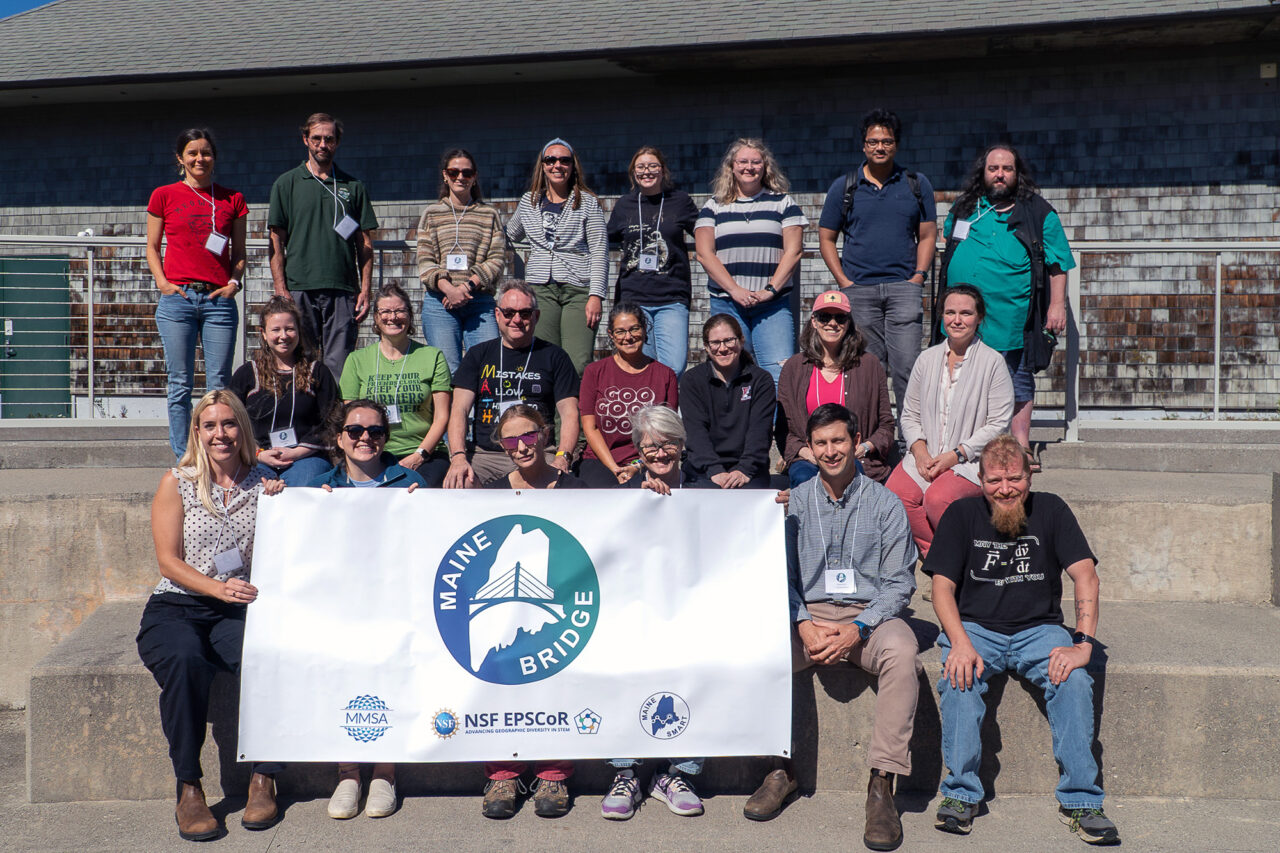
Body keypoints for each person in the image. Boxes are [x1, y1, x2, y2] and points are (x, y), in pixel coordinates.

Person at [924, 434, 1118, 845]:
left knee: (1074, 680)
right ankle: (960, 794)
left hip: (1039, 630)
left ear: (1030, 474)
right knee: (959, 678)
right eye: (995, 480)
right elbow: (941, 589)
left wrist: (1082, 643)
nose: (1005, 488)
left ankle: (1082, 800)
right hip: (976, 628)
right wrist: (958, 642)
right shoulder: (961, 515)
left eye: (1014, 478)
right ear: (980, 479)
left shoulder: (1052, 510)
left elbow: (1085, 575)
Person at [745, 403, 918, 853]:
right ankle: (780, 768)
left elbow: (900, 582)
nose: (830, 451)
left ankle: (882, 785)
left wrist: (859, 627)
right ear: (809, 447)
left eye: (838, 440)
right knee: (758, 649)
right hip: (809, 615)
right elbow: (774, 574)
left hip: (868, 617)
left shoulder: (885, 503)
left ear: (855, 441)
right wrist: (801, 622)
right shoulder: (791, 504)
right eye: (820, 443)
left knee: (902, 651)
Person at [135, 390, 285, 841]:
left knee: (266, 656)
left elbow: (284, 547)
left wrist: (282, 502)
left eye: (229, 423)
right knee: (184, 661)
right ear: (197, 431)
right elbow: (169, 561)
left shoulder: (265, 483)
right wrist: (218, 588)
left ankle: (265, 776)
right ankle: (189, 787)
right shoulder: (176, 481)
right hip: (179, 603)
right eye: (210, 425)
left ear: (243, 428)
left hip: (237, 607)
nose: (220, 434)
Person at [312, 399, 422, 820]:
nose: (365, 438)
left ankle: (385, 772)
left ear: (386, 436)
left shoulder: (410, 483)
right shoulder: (321, 487)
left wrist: (420, 508)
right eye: (355, 431)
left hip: (396, 604)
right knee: (341, 674)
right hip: (341, 607)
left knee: (392, 672)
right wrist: (292, 502)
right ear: (339, 438)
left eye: (375, 431)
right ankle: (348, 772)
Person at [598, 404, 707, 820]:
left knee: (701, 663)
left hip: (690, 616)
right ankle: (625, 773)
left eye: (667, 444)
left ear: (682, 444)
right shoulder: (623, 497)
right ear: (638, 453)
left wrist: (770, 508)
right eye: (649, 447)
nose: (659, 454)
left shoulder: (706, 493)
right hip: (633, 615)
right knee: (618, 661)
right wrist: (640, 504)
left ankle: (677, 773)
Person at [936, 143, 1074, 469]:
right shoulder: (964, 207)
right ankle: (964, 444)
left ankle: (1021, 446)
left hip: (1013, 315)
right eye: (993, 168)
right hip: (963, 316)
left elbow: (1058, 264)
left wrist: (1056, 306)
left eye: (1007, 169)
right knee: (961, 378)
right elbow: (948, 245)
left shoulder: (1039, 213)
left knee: (1017, 379)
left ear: (1017, 174)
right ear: (983, 173)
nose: (1000, 174)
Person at [478, 403, 583, 819]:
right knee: (498, 676)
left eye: (528, 435)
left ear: (544, 433)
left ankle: (554, 773)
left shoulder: (578, 487)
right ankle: (503, 772)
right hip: (506, 611)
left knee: (560, 679)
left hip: (564, 607)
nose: (521, 446)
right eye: (510, 439)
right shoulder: (489, 495)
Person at [818, 109, 937, 426]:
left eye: (886, 141)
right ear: (863, 146)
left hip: (904, 289)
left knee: (908, 367)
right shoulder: (845, 187)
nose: (880, 147)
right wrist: (844, 281)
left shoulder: (915, 184)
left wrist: (917, 277)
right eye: (873, 141)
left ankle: (912, 439)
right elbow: (826, 238)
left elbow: (927, 235)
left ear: (896, 144)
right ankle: (870, 438)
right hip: (859, 290)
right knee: (866, 368)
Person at [886, 285, 1014, 559]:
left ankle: (952, 567)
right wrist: (919, 452)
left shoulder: (993, 363)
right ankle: (939, 562)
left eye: (966, 313)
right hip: (926, 455)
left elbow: (998, 424)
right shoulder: (926, 359)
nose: (957, 320)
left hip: (969, 460)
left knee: (937, 499)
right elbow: (909, 414)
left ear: (979, 317)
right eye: (950, 312)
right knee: (895, 495)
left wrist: (956, 455)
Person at [147, 128, 246, 460]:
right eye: (192, 153)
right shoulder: (164, 195)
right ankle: (184, 457)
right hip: (179, 299)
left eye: (205, 152)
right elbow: (152, 246)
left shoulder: (232, 199)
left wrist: (234, 282)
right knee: (180, 384)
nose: (199, 159)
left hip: (218, 301)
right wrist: (162, 282)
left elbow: (240, 253)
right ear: (180, 158)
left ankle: (218, 453)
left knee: (219, 385)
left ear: (214, 157)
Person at [268, 112, 379, 383]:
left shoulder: (353, 187)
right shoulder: (287, 183)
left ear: (337, 142)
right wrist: (281, 287)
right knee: (300, 361)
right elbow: (276, 242)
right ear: (305, 139)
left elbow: (364, 243)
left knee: (338, 366)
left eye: (328, 139)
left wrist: (365, 289)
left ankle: (333, 423)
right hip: (299, 287)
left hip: (342, 289)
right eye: (316, 138)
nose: (322, 144)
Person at [445, 280, 580, 488]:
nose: (516, 320)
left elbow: (569, 413)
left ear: (536, 316)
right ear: (497, 315)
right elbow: (459, 409)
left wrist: (563, 457)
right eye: (508, 313)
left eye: (524, 313)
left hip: (538, 452)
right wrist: (458, 457)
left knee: (558, 486)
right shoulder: (478, 354)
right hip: (487, 455)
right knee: (460, 482)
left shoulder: (555, 356)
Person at [695, 138, 807, 383]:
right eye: (743, 161)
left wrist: (770, 290)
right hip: (728, 303)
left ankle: (777, 423)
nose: (749, 167)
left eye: (756, 162)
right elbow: (704, 254)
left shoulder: (783, 203)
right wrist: (735, 290)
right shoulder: (713, 206)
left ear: (765, 166)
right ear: (732, 167)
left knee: (779, 372)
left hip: (772, 305)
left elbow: (794, 252)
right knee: (731, 371)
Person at [505, 138, 608, 374]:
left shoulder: (588, 203)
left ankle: (570, 413)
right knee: (544, 360)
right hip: (540, 289)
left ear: (573, 166)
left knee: (577, 362)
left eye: (564, 160)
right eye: (550, 160)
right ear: (542, 165)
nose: (557, 165)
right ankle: (545, 412)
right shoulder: (529, 201)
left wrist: (596, 295)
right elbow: (510, 235)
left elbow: (600, 251)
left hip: (578, 290)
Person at [777, 290, 896, 488]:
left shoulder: (869, 365)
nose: (832, 323)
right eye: (825, 317)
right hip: (810, 460)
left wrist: (864, 447)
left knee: (854, 484)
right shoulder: (794, 367)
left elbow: (886, 424)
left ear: (848, 323)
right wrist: (805, 452)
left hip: (856, 459)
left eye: (840, 318)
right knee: (805, 482)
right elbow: (783, 429)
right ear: (814, 321)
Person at [339, 283, 452, 487]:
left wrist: (419, 455)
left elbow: (442, 416)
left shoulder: (432, 356)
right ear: (375, 317)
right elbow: (350, 418)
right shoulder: (357, 360)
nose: (393, 317)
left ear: (409, 315)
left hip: (425, 454)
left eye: (400, 310)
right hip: (372, 452)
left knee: (416, 492)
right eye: (385, 311)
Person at [605, 146, 699, 374]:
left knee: (673, 367)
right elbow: (605, 238)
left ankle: (664, 410)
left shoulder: (680, 201)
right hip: (634, 296)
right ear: (633, 173)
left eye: (653, 166)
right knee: (641, 366)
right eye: (641, 167)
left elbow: (704, 233)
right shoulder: (625, 204)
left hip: (671, 297)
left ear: (663, 170)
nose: (647, 172)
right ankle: (647, 411)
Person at [228, 297, 338, 486]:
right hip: (258, 457)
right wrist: (258, 453)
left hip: (306, 457)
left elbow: (331, 420)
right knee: (253, 484)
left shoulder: (318, 371)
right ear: (263, 333)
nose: (283, 335)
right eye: (276, 329)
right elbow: (231, 419)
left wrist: (297, 452)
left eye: (289, 329)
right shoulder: (247, 374)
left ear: (298, 331)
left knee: (303, 486)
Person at [416, 147, 506, 373]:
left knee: (487, 368)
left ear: (474, 177)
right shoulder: (432, 213)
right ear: (445, 175)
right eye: (454, 172)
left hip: (480, 302)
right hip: (440, 303)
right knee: (447, 371)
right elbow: (425, 262)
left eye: (467, 173)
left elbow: (496, 259)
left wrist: (466, 287)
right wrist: (448, 289)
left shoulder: (489, 214)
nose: (460, 177)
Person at [578, 302, 678, 487]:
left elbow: (667, 432)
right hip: (600, 460)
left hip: (650, 459)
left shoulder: (665, 375)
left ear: (644, 330)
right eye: (620, 331)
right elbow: (590, 428)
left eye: (634, 329)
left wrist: (637, 465)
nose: (628, 337)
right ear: (611, 335)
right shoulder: (594, 371)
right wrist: (615, 469)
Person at [678, 314, 777, 489]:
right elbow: (695, 433)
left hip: (749, 471)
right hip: (704, 470)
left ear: (741, 340)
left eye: (729, 340)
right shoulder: (692, 380)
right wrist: (714, 470)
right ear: (707, 347)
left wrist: (744, 470)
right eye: (715, 343)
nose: (722, 348)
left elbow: (759, 433)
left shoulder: (761, 380)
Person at [483, 404, 587, 490]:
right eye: (510, 442)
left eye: (529, 437)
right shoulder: (494, 494)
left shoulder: (575, 490)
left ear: (545, 436)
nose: (522, 448)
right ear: (503, 447)